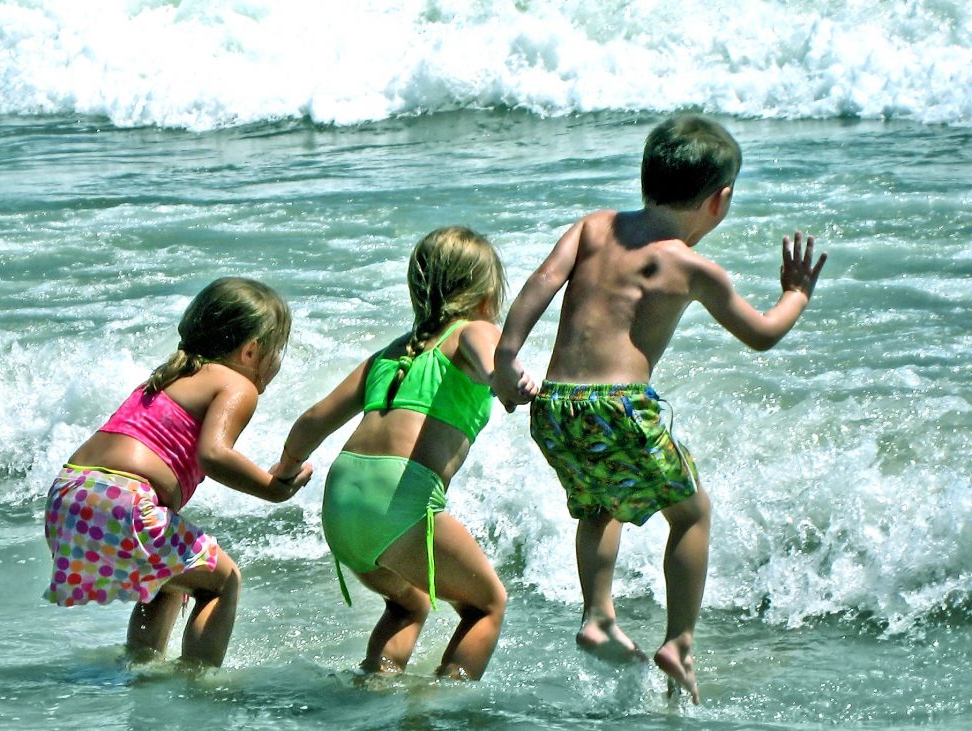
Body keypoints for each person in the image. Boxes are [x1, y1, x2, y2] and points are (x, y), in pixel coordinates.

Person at [492, 114, 827, 703]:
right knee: (691, 513)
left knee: (599, 503)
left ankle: (598, 614)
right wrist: (795, 295)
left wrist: (505, 357)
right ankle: (680, 641)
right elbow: (762, 334)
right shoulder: (689, 266)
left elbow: (541, 283)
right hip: (622, 406)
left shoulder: (593, 227)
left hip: (556, 404)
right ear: (718, 202)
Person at [273, 226, 528, 680]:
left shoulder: (388, 356)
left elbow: (314, 419)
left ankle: (376, 685)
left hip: (341, 502)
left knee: (409, 601)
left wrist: (285, 470)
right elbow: (486, 353)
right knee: (487, 604)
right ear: (486, 295)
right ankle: (446, 707)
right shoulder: (475, 328)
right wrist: (503, 378)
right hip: (399, 498)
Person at [43, 277, 312, 668]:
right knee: (223, 582)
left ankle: (142, 667)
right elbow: (214, 455)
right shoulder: (237, 383)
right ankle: (198, 690)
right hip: (125, 498)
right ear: (252, 350)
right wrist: (272, 488)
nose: (277, 363)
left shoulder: (170, 375)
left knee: (168, 582)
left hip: (69, 495)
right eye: (277, 350)